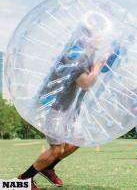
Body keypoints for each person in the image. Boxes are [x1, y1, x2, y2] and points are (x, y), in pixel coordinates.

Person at [18, 25, 109, 190]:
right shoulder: (74, 57)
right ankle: (24, 179)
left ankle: (47, 168)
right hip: (53, 107)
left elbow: (89, 77)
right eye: (99, 34)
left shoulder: (86, 55)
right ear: (87, 37)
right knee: (57, 149)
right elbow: (86, 83)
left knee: (77, 140)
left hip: (65, 109)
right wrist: (100, 64)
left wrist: (101, 63)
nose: (102, 38)